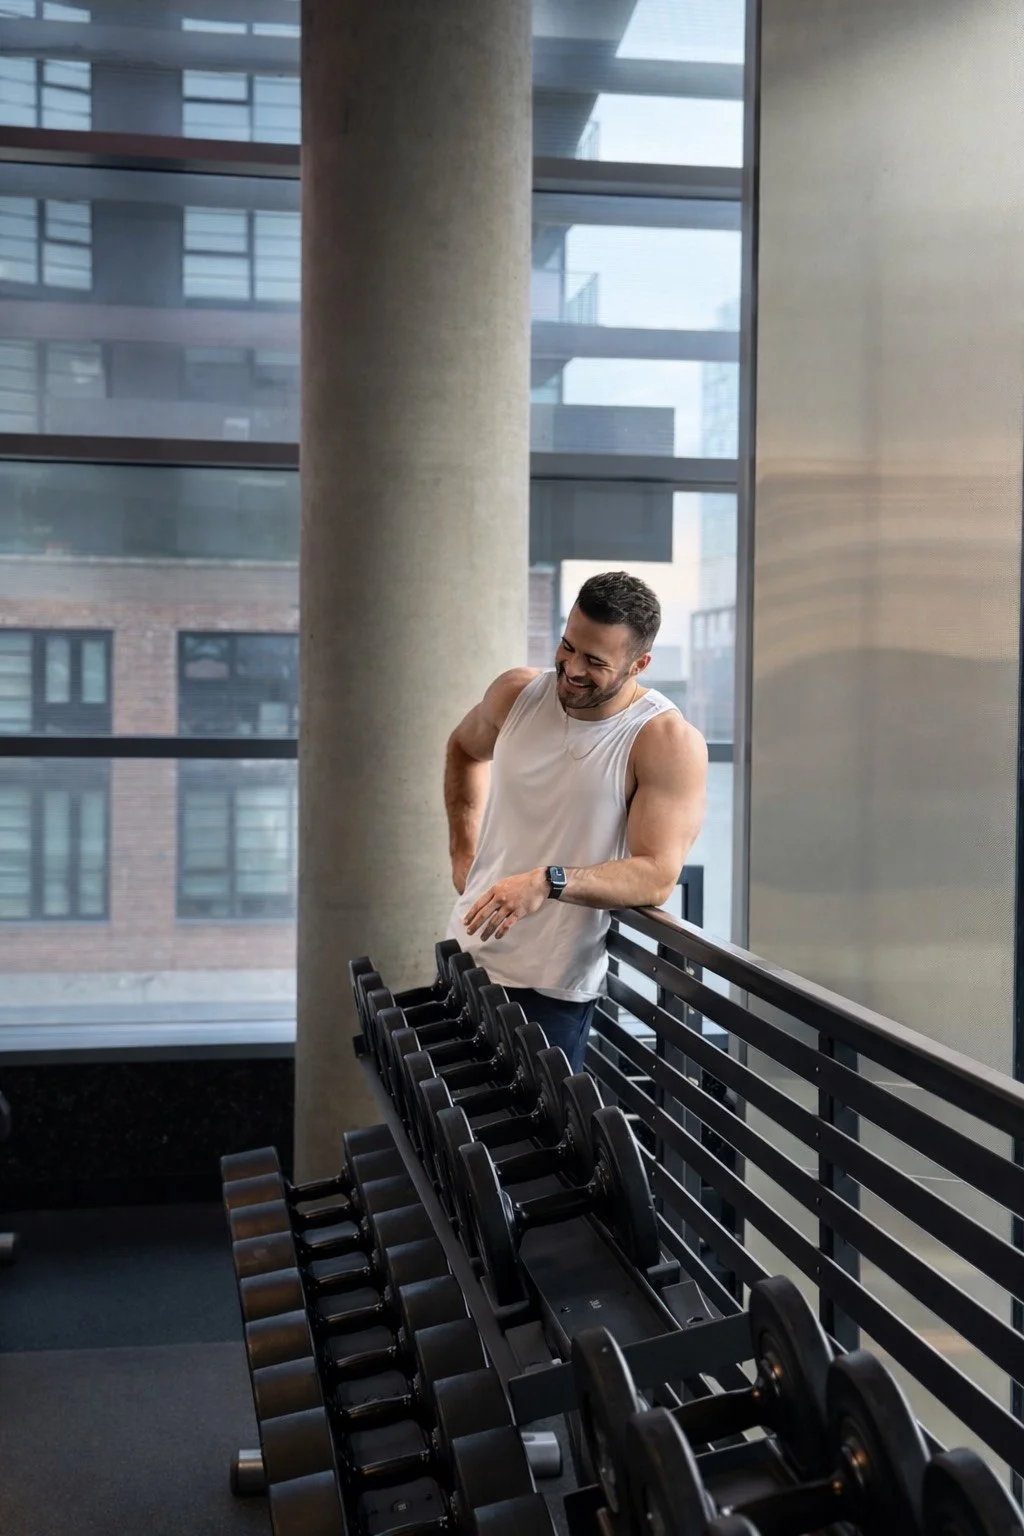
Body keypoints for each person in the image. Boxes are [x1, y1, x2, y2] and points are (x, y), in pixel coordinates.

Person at [444, 570, 708, 1071]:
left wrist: (549, 881)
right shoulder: (516, 694)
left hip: (550, 987)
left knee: (533, 1149)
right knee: (439, 1143)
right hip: (465, 956)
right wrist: (462, 848)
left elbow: (656, 874)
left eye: (595, 661)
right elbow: (462, 748)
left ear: (640, 663)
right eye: (568, 647)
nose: (571, 669)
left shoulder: (663, 740)